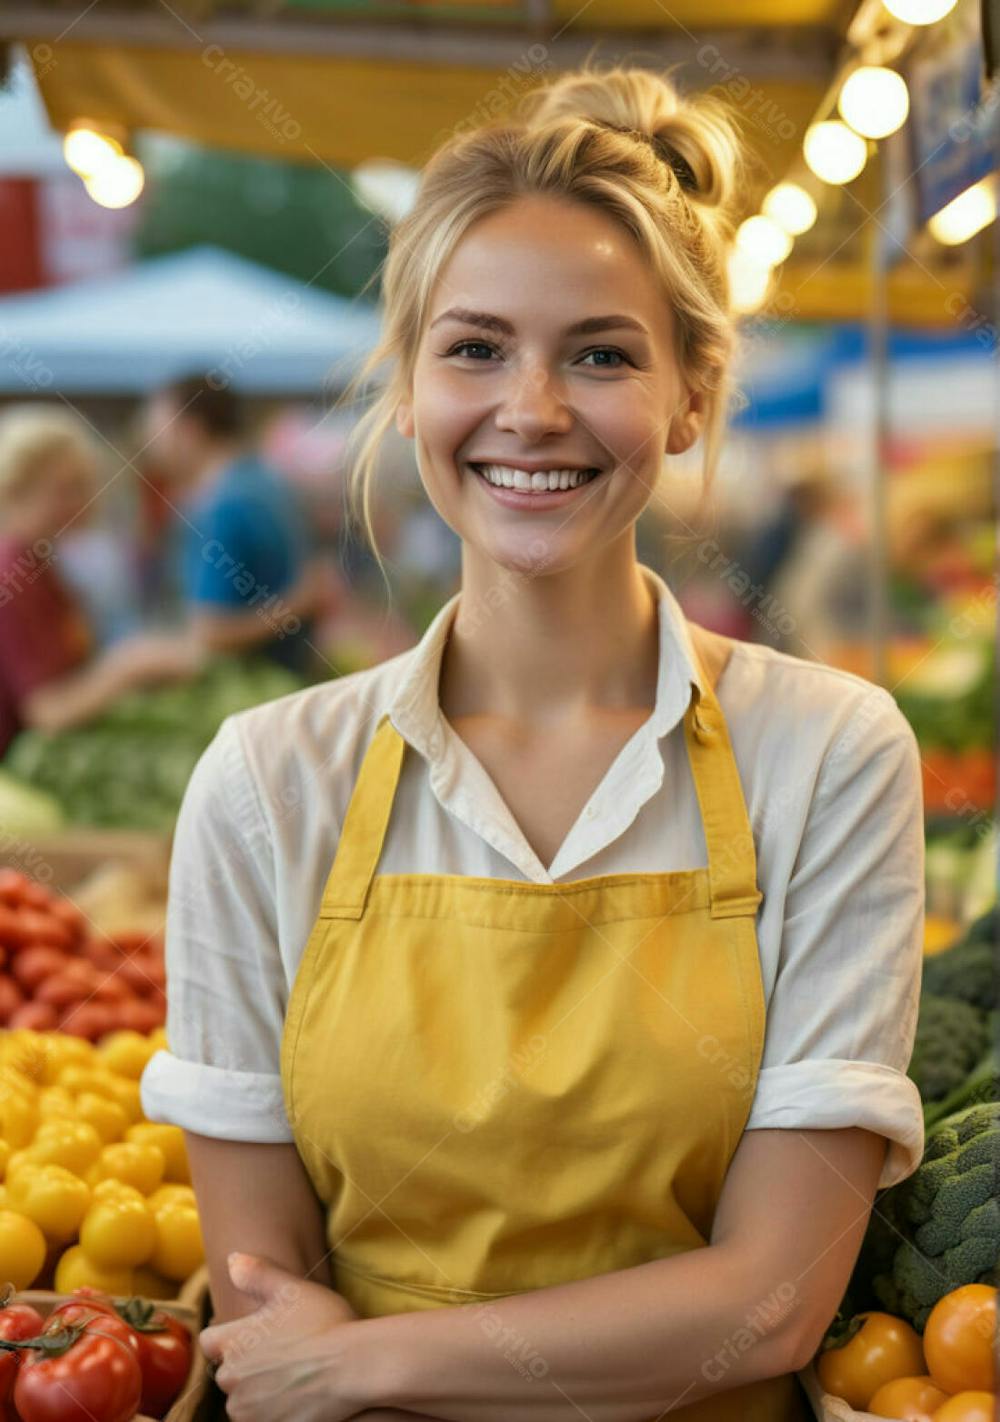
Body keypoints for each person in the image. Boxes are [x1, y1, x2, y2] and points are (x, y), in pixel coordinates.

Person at [139, 63, 925, 1422]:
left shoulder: (832, 753)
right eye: (476, 346)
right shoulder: (266, 783)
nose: (535, 408)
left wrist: (368, 1355)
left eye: (604, 353)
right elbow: (263, 1285)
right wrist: (329, 1352)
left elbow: (774, 1298)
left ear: (691, 396)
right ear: (410, 385)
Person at [0, 405, 200, 753]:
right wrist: (128, 666)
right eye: (68, 488)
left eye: (86, 483)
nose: (87, 499)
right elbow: (48, 712)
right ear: (17, 491)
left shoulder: (43, 563)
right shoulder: (12, 573)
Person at [139, 375, 328, 676]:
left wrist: (294, 606)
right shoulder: (272, 481)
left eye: (156, 428)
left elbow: (210, 633)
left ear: (190, 430)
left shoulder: (219, 505)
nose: (148, 442)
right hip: (293, 675)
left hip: (252, 686)